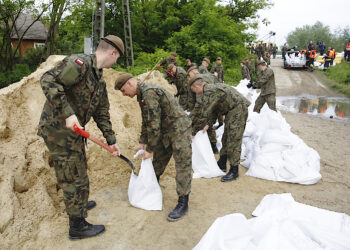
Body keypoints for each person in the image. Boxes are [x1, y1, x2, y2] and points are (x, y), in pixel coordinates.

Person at [38, 35, 123, 239]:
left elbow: (102, 113)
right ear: (112, 52)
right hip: (58, 132)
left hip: (75, 134)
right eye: (117, 58)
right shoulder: (80, 64)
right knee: (72, 178)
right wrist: (68, 113)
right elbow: (48, 80)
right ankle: (77, 227)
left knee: (80, 173)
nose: (116, 63)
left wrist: (112, 140)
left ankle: (80, 204)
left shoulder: (99, 80)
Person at [115, 73, 193, 221]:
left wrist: (149, 149)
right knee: (157, 162)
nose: (124, 95)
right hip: (165, 130)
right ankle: (151, 188)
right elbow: (147, 121)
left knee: (182, 164)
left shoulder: (149, 92)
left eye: (124, 91)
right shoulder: (142, 95)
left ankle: (183, 202)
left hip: (179, 128)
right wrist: (142, 142)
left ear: (130, 84)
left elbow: (154, 124)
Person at [189, 75, 250, 182]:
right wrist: (209, 123)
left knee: (233, 140)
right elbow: (214, 110)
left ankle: (234, 170)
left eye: (193, 90)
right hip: (231, 111)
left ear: (196, 87)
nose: (194, 92)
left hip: (238, 109)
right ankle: (222, 163)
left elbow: (204, 114)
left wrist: (194, 132)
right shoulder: (209, 89)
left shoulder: (209, 92)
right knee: (226, 138)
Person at [187, 66, 219, 154]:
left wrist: (191, 119)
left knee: (205, 121)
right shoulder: (207, 75)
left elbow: (199, 103)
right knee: (209, 123)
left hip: (209, 103)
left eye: (189, 75)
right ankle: (213, 146)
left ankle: (211, 145)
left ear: (193, 72)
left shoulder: (198, 81)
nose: (190, 77)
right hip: (216, 101)